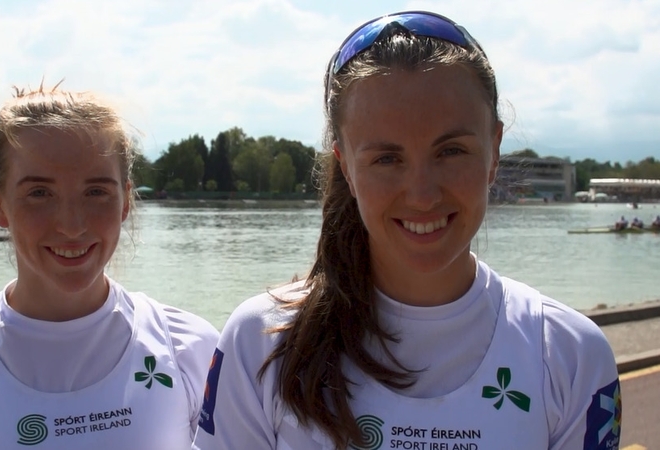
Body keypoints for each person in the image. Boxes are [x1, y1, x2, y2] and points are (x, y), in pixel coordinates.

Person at [194, 11, 620, 450]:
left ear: (494, 151)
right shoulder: (262, 343)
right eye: (386, 159)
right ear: (347, 167)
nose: (421, 195)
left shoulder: (569, 355)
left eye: (451, 151)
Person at [0, 85, 219, 449]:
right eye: (40, 193)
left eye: (96, 192)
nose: (71, 226)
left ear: (125, 202)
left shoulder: (192, 351)